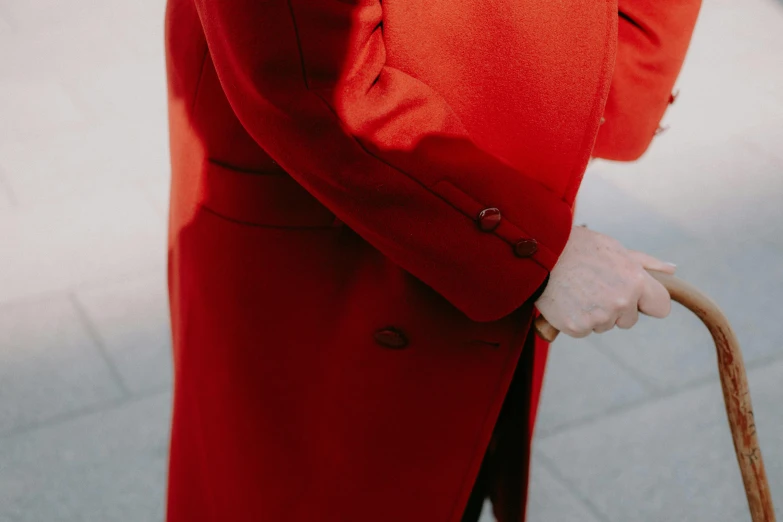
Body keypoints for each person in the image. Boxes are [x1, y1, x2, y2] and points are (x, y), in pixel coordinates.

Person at [163, 0, 701, 520]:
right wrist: (529, 245)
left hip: (495, 147)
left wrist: (626, 65)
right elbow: (308, 76)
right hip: (328, 207)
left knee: (453, 464)